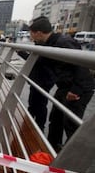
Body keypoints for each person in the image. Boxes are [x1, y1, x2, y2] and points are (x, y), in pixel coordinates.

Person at [28, 16, 94, 152]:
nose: (31, 37)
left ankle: (71, 158)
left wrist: (76, 90)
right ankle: (52, 149)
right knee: (55, 119)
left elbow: (81, 65)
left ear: (39, 32)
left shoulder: (64, 42)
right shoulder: (49, 44)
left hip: (78, 88)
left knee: (71, 123)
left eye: (32, 33)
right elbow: (40, 62)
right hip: (64, 86)